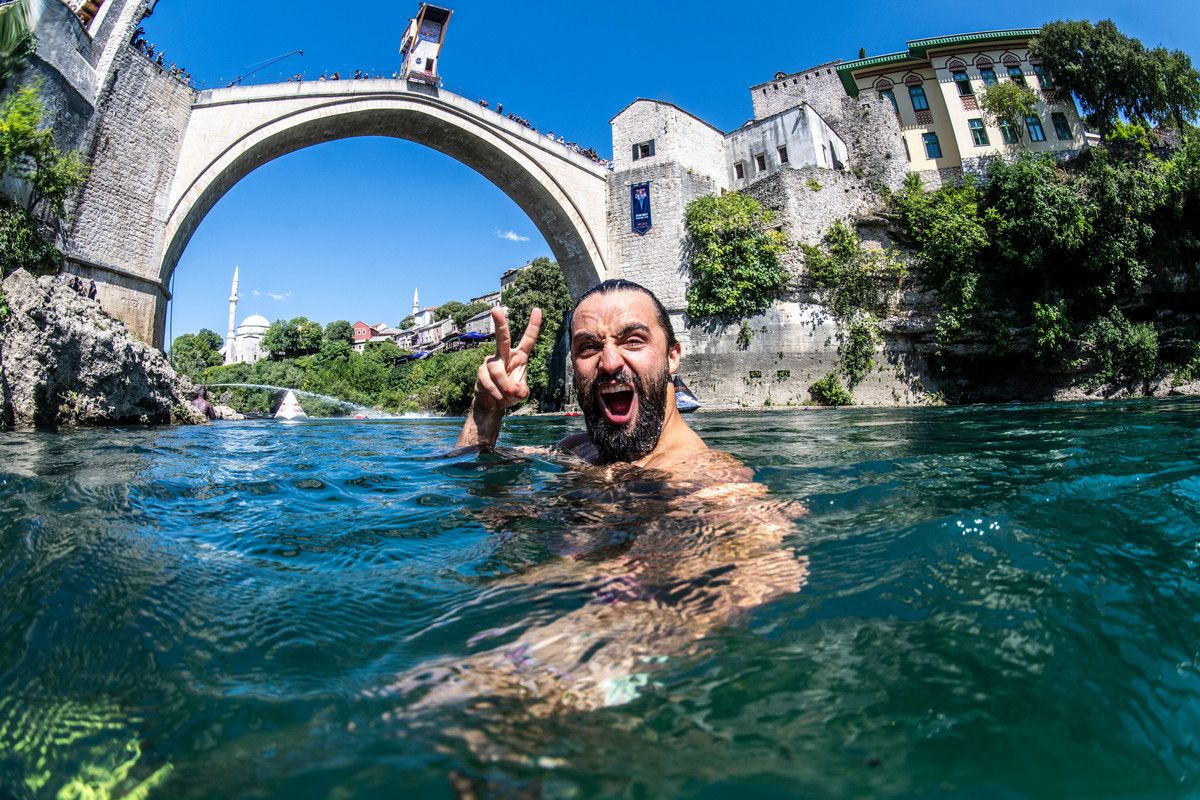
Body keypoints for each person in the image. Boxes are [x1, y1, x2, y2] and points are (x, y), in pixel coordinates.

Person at [457, 279, 717, 473]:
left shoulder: (706, 485)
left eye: (633, 341)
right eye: (589, 347)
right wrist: (485, 408)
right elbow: (468, 469)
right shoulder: (578, 449)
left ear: (672, 357)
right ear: (573, 362)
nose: (609, 363)